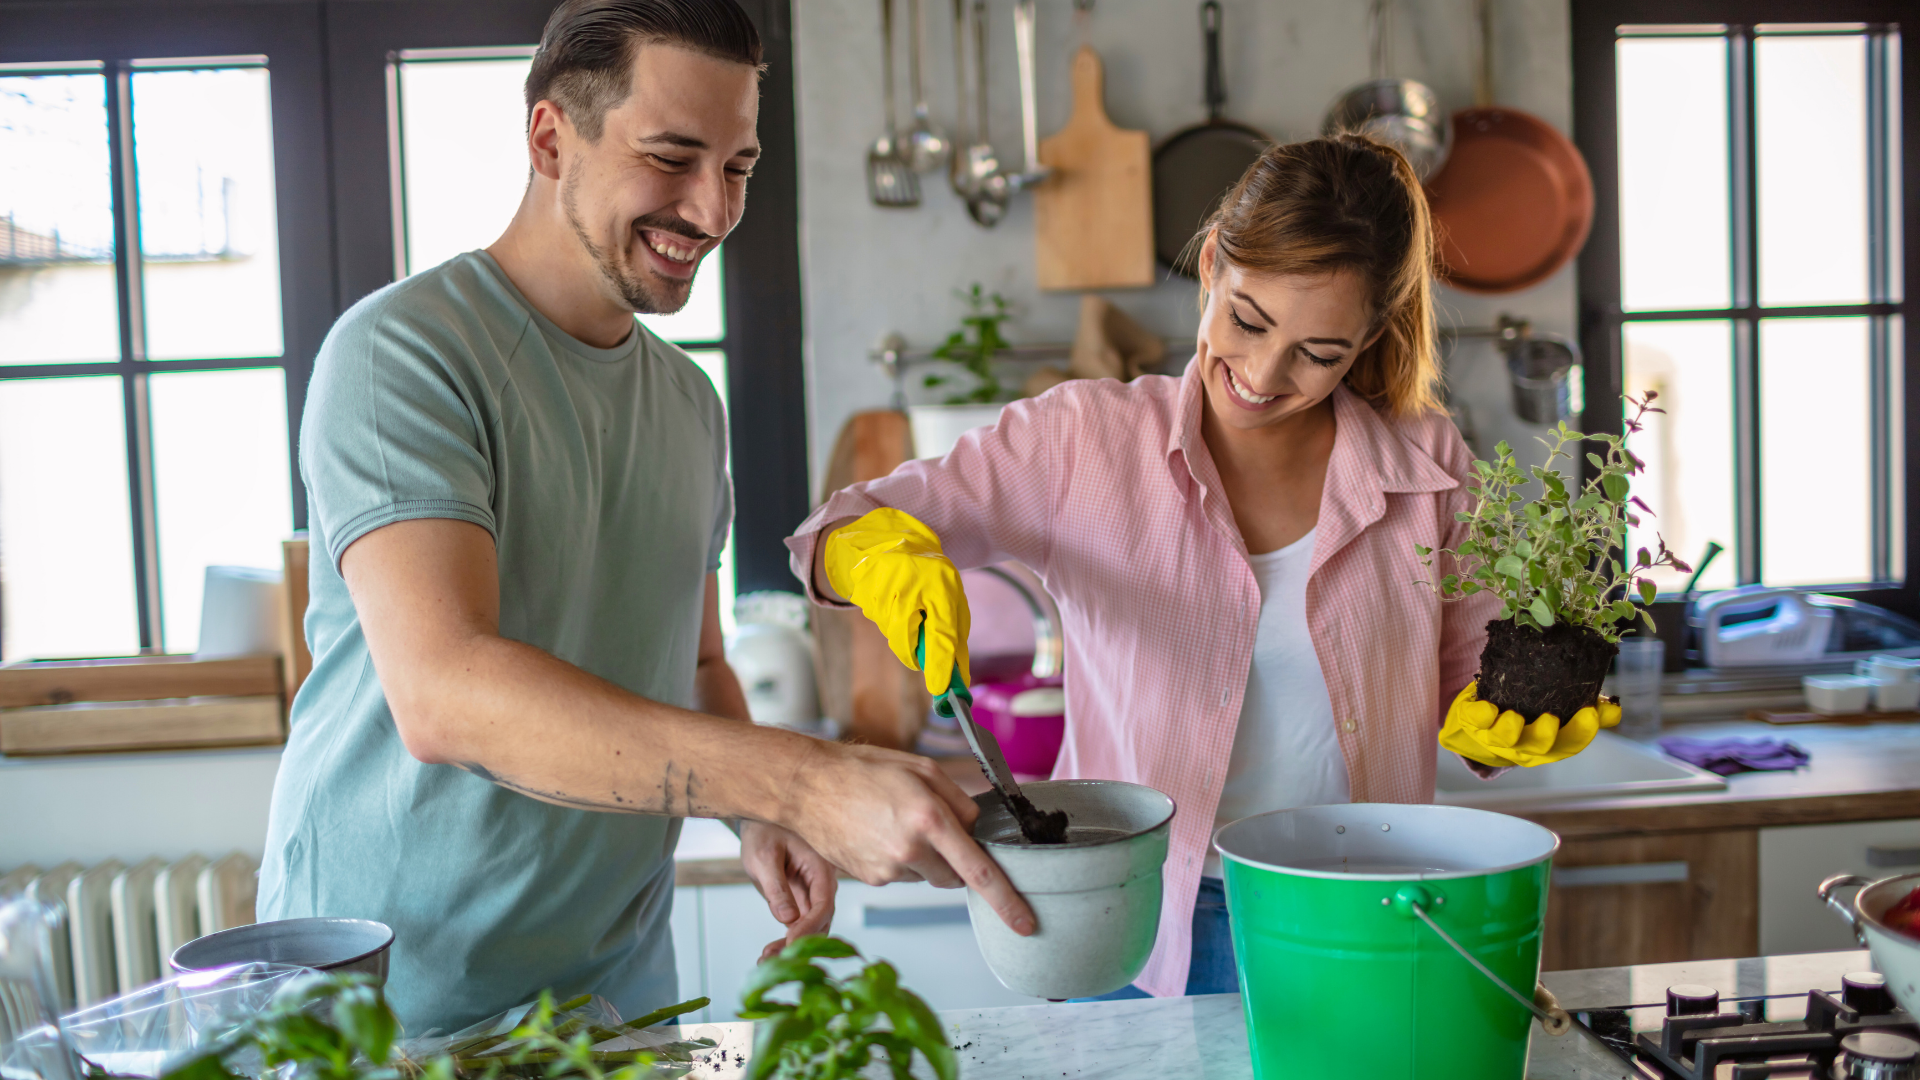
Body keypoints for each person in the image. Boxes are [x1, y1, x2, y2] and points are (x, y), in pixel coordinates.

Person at [260, 0, 1031, 1033]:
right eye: (673, 158)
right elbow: (446, 693)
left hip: (617, 1000)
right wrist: (802, 784)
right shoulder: (405, 356)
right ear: (550, 139)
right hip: (395, 1002)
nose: (713, 211)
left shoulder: (685, 403)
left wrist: (754, 811)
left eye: (740, 168)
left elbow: (698, 663)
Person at [787, 135, 1549, 999]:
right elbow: (835, 528)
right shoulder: (1086, 440)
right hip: (1137, 927)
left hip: (1364, 914)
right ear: (1214, 262)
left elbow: (1474, 684)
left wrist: (1515, 717)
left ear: (1370, 334)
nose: (1263, 375)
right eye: (1248, 320)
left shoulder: (1429, 462)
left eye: (1319, 353)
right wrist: (876, 555)